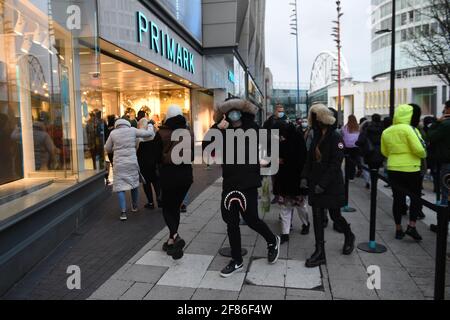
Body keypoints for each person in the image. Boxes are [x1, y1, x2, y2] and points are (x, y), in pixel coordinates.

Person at [203, 98, 280, 278]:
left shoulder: (253, 129)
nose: (233, 114)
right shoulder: (224, 130)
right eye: (229, 111)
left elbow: (270, 145)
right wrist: (216, 128)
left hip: (248, 182)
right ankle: (237, 260)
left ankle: (271, 240)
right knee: (231, 222)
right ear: (225, 114)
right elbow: (207, 148)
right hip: (230, 182)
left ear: (242, 111)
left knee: (251, 218)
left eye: (236, 110)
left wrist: (264, 161)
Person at [301, 104, 355, 268]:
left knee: (335, 217)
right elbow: (309, 159)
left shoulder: (336, 137)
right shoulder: (316, 135)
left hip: (331, 185)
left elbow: (335, 163)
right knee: (317, 217)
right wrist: (304, 177)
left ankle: (349, 235)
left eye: (317, 117)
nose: (316, 121)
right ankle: (320, 252)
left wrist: (323, 184)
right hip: (315, 183)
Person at [381, 104, 427, 241]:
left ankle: (398, 229)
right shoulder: (411, 129)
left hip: (394, 168)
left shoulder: (387, 131)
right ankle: (411, 226)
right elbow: (419, 149)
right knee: (415, 198)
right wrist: (423, 154)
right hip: (411, 168)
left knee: (397, 199)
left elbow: (384, 152)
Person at [158, 105, 194, 260]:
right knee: (175, 207)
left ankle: (175, 235)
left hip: (169, 175)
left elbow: (156, 156)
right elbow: (191, 155)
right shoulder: (188, 132)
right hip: (186, 176)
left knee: (167, 208)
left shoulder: (161, 133)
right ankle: (171, 241)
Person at [104, 118, 155, 221]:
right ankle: (135, 206)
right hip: (132, 162)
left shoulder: (113, 133)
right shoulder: (132, 130)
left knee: (120, 187)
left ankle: (123, 212)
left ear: (116, 125)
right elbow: (149, 134)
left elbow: (107, 148)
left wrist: (115, 148)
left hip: (119, 164)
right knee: (133, 184)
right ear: (127, 124)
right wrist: (150, 124)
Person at [273, 121, 309, 243]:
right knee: (294, 207)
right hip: (291, 181)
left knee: (293, 207)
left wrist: (282, 160)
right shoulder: (296, 141)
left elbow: (300, 160)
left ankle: (298, 227)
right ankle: (289, 231)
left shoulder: (288, 142)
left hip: (291, 181)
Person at [137, 112, 162, 209]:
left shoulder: (139, 138)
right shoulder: (154, 136)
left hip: (143, 164)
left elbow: (136, 151)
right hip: (154, 163)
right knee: (156, 182)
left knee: (146, 183)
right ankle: (159, 200)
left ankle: (150, 203)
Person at [263, 104, 288, 204]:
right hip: (272, 150)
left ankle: (283, 194)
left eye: (282, 111)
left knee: (283, 175)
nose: (281, 112)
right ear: (275, 111)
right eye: (279, 111)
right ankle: (277, 194)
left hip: (284, 152)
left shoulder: (287, 121)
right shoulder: (269, 122)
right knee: (274, 174)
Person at [428, 100, 450, 207]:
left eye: (445, 108)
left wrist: (437, 122)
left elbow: (431, 136)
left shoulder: (445, 124)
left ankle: (444, 218)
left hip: (447, 160)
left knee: (446, 189)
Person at [341, 115, 361, 185]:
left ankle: (347, 175)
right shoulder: (358, 127)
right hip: (356, 146)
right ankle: (352, 177)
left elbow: (342, 135)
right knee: (353, 162)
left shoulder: (345, 127)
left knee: (347, 162)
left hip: (347, 147)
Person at [104, 115, 116, 185]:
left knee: (112, 162)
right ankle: (117, 178)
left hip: (109, 150)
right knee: (115, 164)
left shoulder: (106, 128)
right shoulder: (114, 130)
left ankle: (111, 178)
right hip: (114, 150)